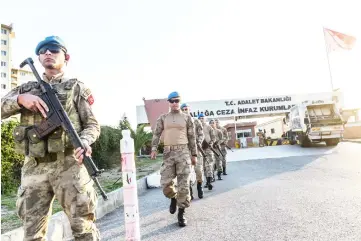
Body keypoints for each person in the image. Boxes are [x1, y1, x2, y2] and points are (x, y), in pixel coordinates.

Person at [1, 36, 101, 240]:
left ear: (66, 57)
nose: (48, 52)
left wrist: (85, 141)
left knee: (83, 230)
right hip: (34, 167)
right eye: (43, 50)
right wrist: (20, 100)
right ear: (38, 58)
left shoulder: (76, 88)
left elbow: (92, 125)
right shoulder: (26, 89)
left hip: (69, 165)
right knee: (32, 234)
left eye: (54, 49)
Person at [150, 91, 197, 227]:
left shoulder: (187, 118)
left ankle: (181, 213)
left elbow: (192, 137)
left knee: (184, 185)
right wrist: (153, 148)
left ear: (180, 101)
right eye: (172, 101)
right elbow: (156, 133)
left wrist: (194, 155)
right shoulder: (163, 118)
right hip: (168, 153)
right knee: (165, 183)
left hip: (183, 152)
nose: (175, 103)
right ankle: (173, 197)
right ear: (169, 103)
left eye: (177, 101)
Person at [181, 103, 205, 199]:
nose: (185, 110)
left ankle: (199, 186)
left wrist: (198, 142)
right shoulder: (179, 123)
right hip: (185, 151)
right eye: (183, 109)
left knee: (198, 170)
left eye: (187, 109)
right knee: (187, 172)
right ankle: (190, 190)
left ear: (189, 110)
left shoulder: (196, 121)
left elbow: (201, 134)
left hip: (196, 150)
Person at [198, 114, 216, 189]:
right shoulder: (196, 127)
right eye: (200, 118)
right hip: (200, 149)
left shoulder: (208, 127)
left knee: (208, 164)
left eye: (203, 118)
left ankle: (209, 181)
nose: (202, 119)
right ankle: (207, 180)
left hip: (208, 148)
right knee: (203, 167)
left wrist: (211, 143)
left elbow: (213, 137)